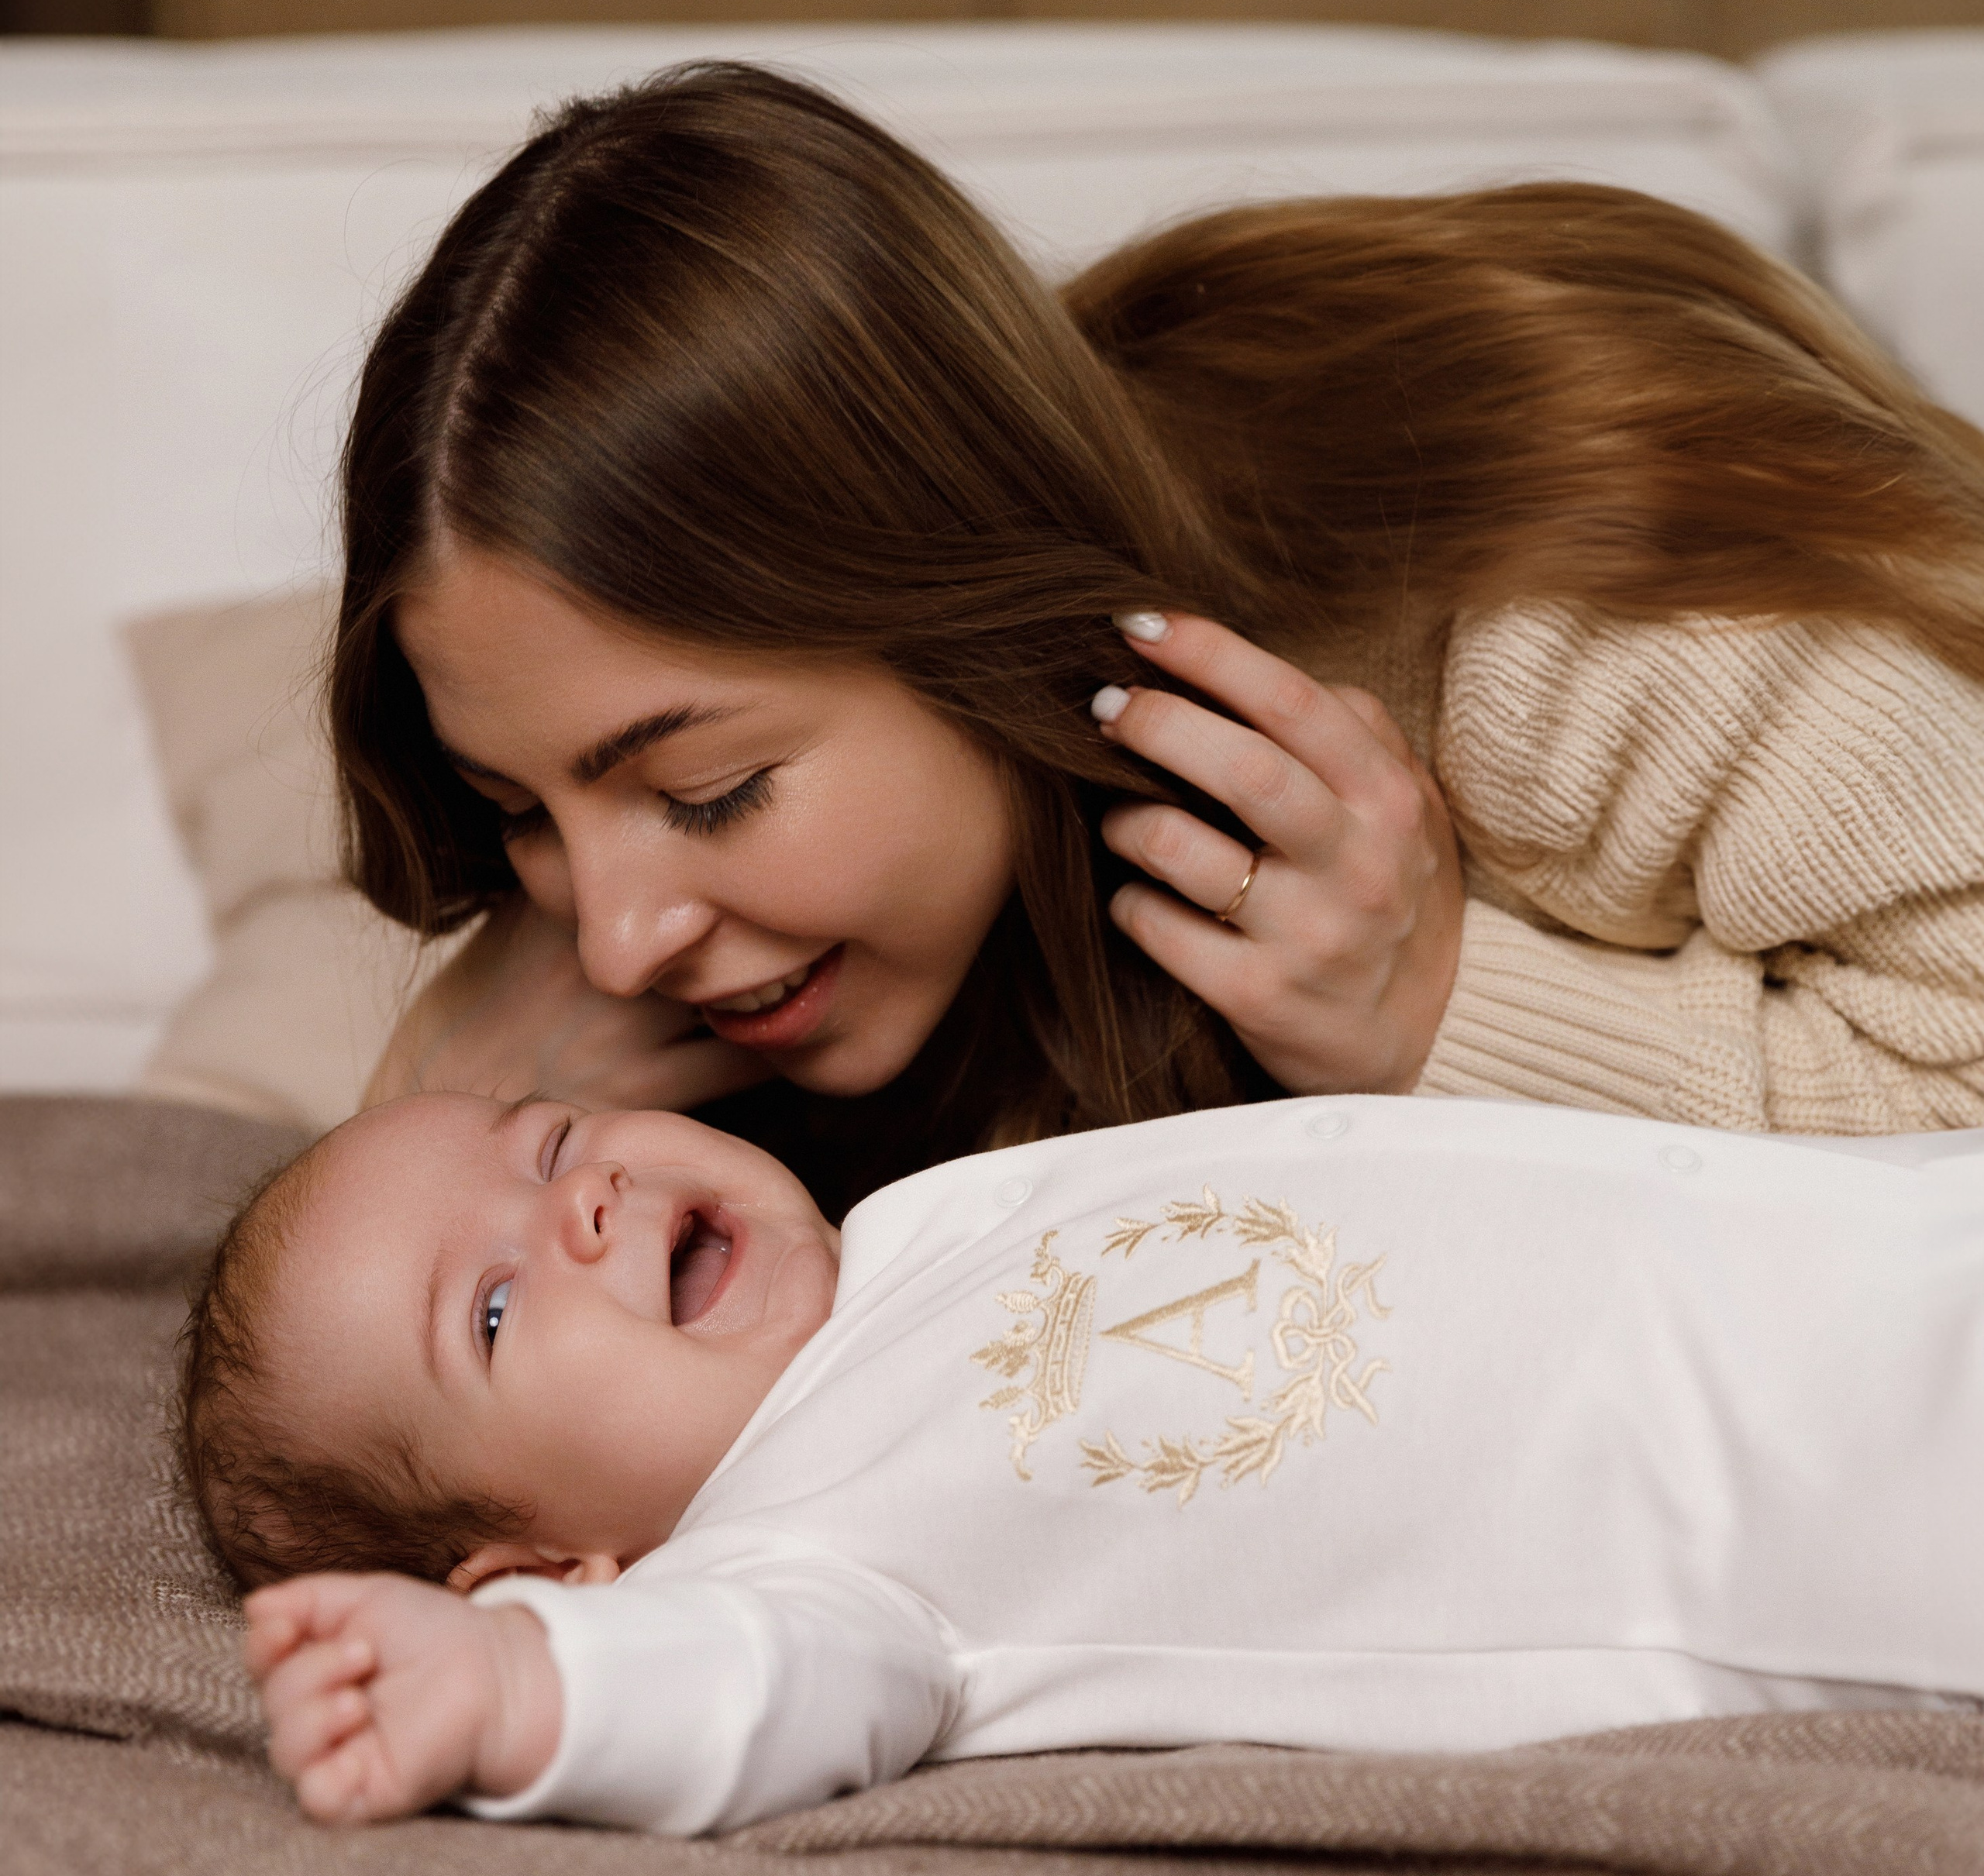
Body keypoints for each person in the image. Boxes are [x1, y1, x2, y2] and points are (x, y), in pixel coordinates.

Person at [332, 65, 1984, 1216]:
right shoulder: (741, 948)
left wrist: (1441, 1017)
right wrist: (430, 1122)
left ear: (975, 609)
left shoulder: (1561, 626)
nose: (614, 941)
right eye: (522, 808)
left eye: (706, 790)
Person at [184, 1089, 1984, 1836]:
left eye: (546, 1132)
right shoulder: (802, 1555)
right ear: (552, 1567)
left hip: (1873, 1228)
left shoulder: (910, 1226)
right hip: (1840, 1507)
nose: (574, 1197)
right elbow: (760, 1691)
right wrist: (520, 1694)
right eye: (493, 1311)